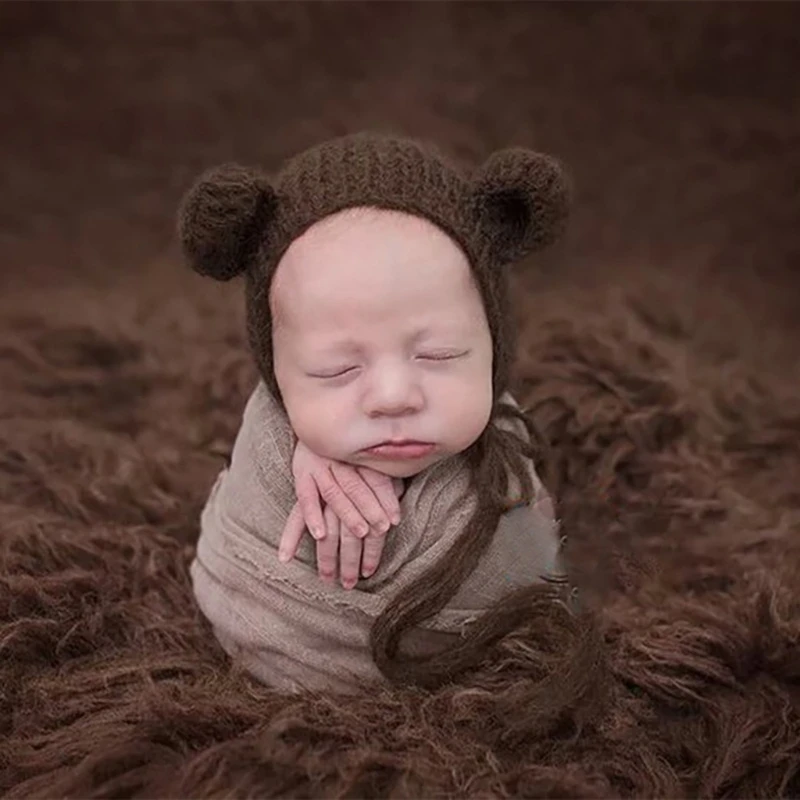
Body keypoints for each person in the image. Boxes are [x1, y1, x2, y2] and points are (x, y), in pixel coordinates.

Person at [180, 132, 574, 692]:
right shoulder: (272, 434)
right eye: (337, 371)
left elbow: (535, 573)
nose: (393, 396)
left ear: (492, 351)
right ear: (279, 378)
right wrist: (298, 445)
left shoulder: (507, 478)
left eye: (438, 355)